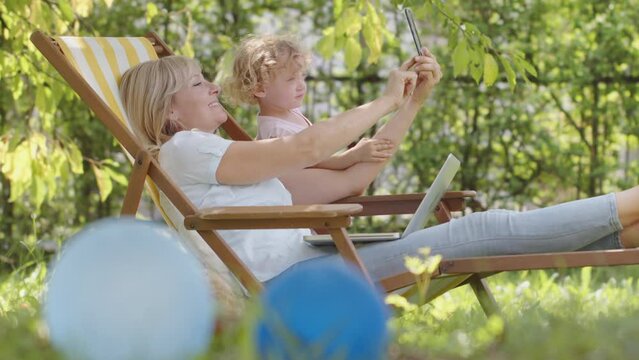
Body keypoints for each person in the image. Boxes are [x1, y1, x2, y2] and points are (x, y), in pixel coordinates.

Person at [119, 52, 639, 285]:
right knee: (482, 228)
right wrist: (384, 102)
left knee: (491, 237)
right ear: (168, 110)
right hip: (297, 282)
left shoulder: (220, 158)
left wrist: (409, 103)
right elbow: (306, 148)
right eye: (197, 83)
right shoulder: (185, 149)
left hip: (315, 258)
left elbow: (349, 179)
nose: (213, 88)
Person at [222, 35, 396, 204]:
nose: (301, 85)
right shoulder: (275, 131)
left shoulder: (286, 110)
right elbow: (316, 162)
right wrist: (353, 155)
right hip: (303, 214)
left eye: (302, 76)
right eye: (291, 79)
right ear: (260, 88)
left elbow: (321, 145)